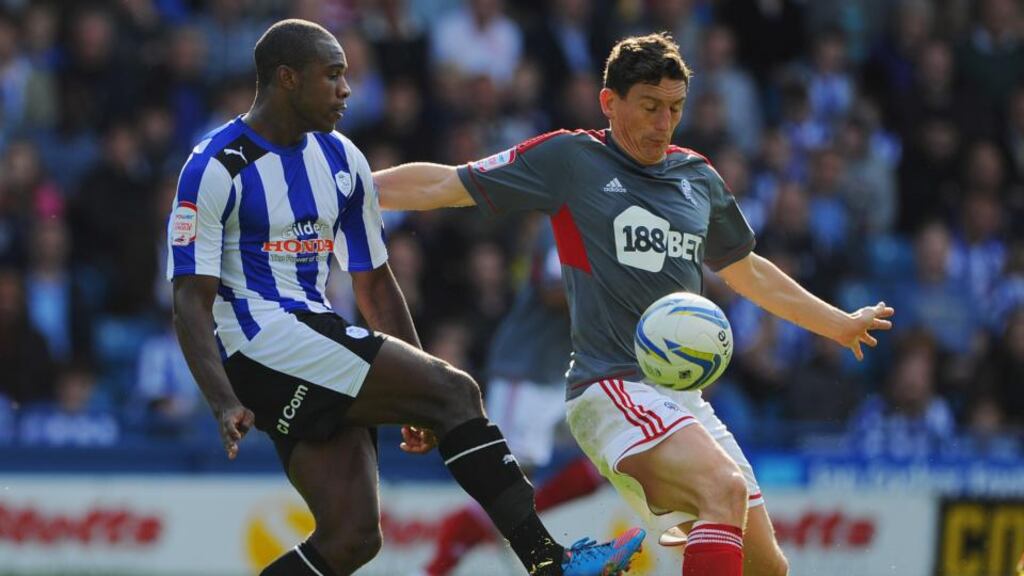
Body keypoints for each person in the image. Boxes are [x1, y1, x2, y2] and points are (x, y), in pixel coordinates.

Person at [375, 32, 895, 576]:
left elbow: (747, 270)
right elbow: (447, 184)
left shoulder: (698, 178)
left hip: (683, 399)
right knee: (722, 489)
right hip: (610, 386)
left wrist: (836, 324)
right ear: (609, 102)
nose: (662, 123)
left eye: (674, 108)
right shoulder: (572, 159)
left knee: (768, 567)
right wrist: (353, 186)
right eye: (649, 107)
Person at [167, 19, 644, 576]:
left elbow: (374, 281)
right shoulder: (214, 167)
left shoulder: (343, 159)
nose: (347, 88)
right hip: (262, 344)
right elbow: (189, 299)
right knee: (458, 392)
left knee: (351, 539)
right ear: (287, 79)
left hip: (310, 344)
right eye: (333, 75)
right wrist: (223, 400)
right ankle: (551, 562)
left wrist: (416, 381)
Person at [422, 220, 607, 576]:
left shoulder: (607, 225)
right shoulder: (562, 223)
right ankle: (441, 559)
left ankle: (483, 528)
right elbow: (553, 293)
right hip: (524, 371)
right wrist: (616, 292)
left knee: (606, 460)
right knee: (509, 484)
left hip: (562, 372)